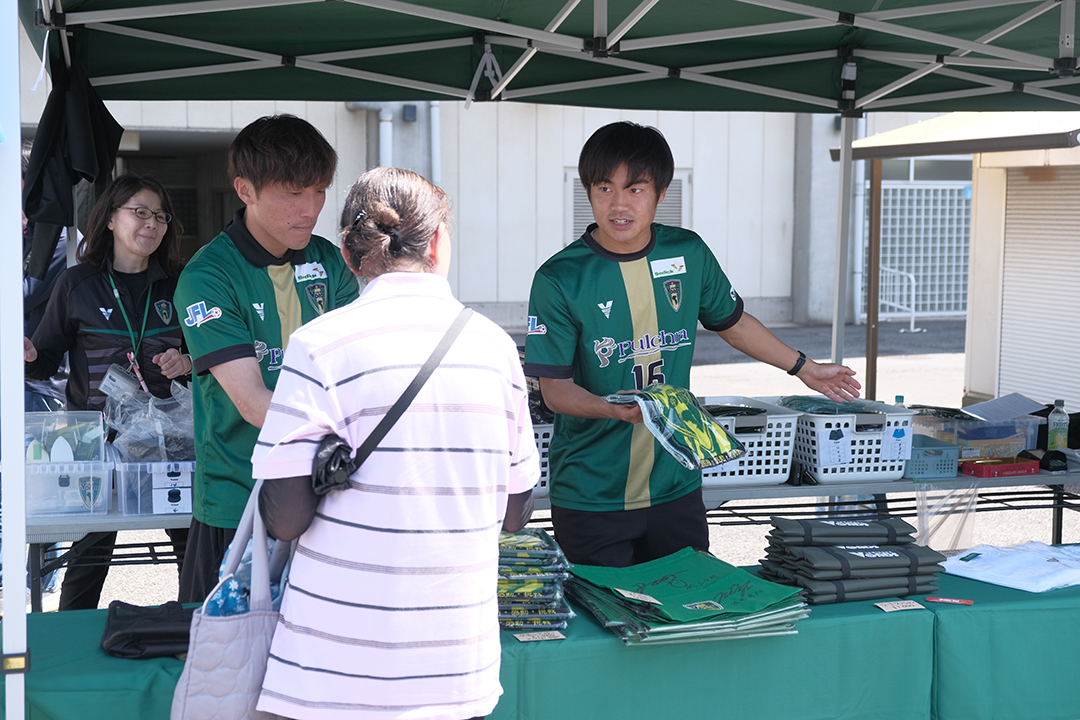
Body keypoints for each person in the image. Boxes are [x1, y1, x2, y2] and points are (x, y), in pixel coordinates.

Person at [251, 166, 538, 720]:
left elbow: (283, 518)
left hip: (331, 665)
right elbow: (515, 513)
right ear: (438, 242)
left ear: (348, 254)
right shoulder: (496, 348)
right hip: (456, 665)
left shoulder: (316, 345)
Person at [523, 121, 861, 568]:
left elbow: (733, 323)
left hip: (676, 482)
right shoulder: (559, 278)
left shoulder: (688, 253)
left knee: (688, 604)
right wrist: (614, 409)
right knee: (604, 608)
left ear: (660, 194)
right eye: (605, 188)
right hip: (592, 492)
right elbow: (554, 391)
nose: (619, 204)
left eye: (635, 189)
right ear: (589, 192)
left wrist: (805, 367)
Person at [174, 114, 360, 604]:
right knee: (224, 644)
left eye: (319, 191)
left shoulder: (330, 262)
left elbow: (355, 377)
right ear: (245, 190)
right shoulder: (209, 275)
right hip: (238, 500)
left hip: (325, 495)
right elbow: (255, 403)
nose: (311, 209)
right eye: (293, 193)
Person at [24, 173, 191, 610]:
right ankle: (72, 641)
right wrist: (29, 354)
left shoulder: (182, 284)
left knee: (190, 546)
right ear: (111, 219)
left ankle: (194, 632)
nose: (151, 223)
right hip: (95, 444)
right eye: (140, 212)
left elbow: (209, 357)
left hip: (169, 440)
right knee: (89, 555)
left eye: (160, 216)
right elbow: (45, 359)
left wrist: (187, 362)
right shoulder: (76, 284)